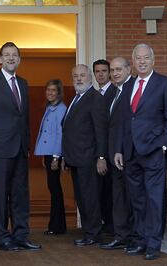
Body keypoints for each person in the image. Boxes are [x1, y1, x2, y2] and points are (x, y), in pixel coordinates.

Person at [114, 43, 167, 260]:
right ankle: (141, 239)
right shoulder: (128, 86)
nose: (141, 61)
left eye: (145, 58)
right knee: (138, 200)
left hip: (153, 152)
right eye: (138, 58)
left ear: (153, 60)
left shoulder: (165, 84)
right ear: (133, 62)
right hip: (131, 152)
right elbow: (124, 120)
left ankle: (153, 243)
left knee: (153, 199)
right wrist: (119, 150)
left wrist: (164, 146)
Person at [0, 42, 41, 251]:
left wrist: (28, 144)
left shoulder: (23, 83)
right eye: (7, 55)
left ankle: (21, 235)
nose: (11, 58)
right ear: (0, 59)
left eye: (15, 55)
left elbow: (25, 117)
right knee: (1, 195)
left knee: (21, 194)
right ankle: (3, 236)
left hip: (20, 148)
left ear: (20, 59)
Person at [62, 64, 109, 246]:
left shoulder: (95, 98)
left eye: (82, 75)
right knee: (82, 198)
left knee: (90, 198)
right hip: (76, 158)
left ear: (90, 78)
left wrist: (101, 157)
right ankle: (89, 232)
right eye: (75, 76)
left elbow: (101, 131)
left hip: (89, 158)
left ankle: (94, 234)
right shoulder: (77, 98)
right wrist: (66, 155)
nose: (79, 79)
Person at [99, 57, 134, 250]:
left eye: (119, 69)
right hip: (115, 155)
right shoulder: (116, 92)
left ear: (129, 69)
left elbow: (127, 126)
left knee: (130, 198)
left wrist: (120, 150)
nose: (115, 73)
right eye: (112, 70)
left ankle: (132, 236)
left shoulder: (132, 90)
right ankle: (121, 236)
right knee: (119, 198)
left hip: (127, 154)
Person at [34, 79, 67, 236]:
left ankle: (57, 226)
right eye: (48, 90)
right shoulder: (50, 107)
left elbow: (60, 134)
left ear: (59, 92)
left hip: (55, 154)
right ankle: (56, 225)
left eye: (54, 90)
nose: (50, 93)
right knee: (53, 188)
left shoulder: (60, 109)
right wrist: (45, 154)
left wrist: (55, 157)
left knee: (55, 189)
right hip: (49, 153)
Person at [93, 59, 115, 235]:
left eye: (103, 71)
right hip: (96, 150)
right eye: (97, 71)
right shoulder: (92, 95)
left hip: (112, 151)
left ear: (109, 73)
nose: (100, 74)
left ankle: (112, 226)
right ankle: (102, 225)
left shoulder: (116, 92)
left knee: (111, 191)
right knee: (99, 191)